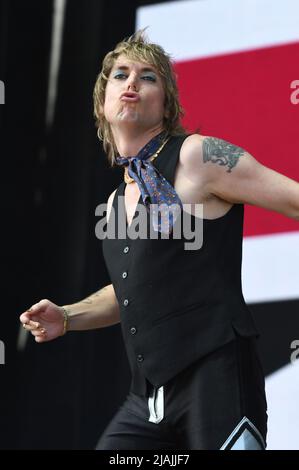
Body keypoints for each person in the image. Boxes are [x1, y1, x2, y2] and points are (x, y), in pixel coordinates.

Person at [19, 30, 299, 450]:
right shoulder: (115, 201)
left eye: (148, 77)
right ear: (102, 102)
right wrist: (68, 315)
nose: (132, 82)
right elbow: (134, 290)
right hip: (146, 399)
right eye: (120, 74)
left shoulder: (198, 157)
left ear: (166, 105)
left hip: (215, 376)